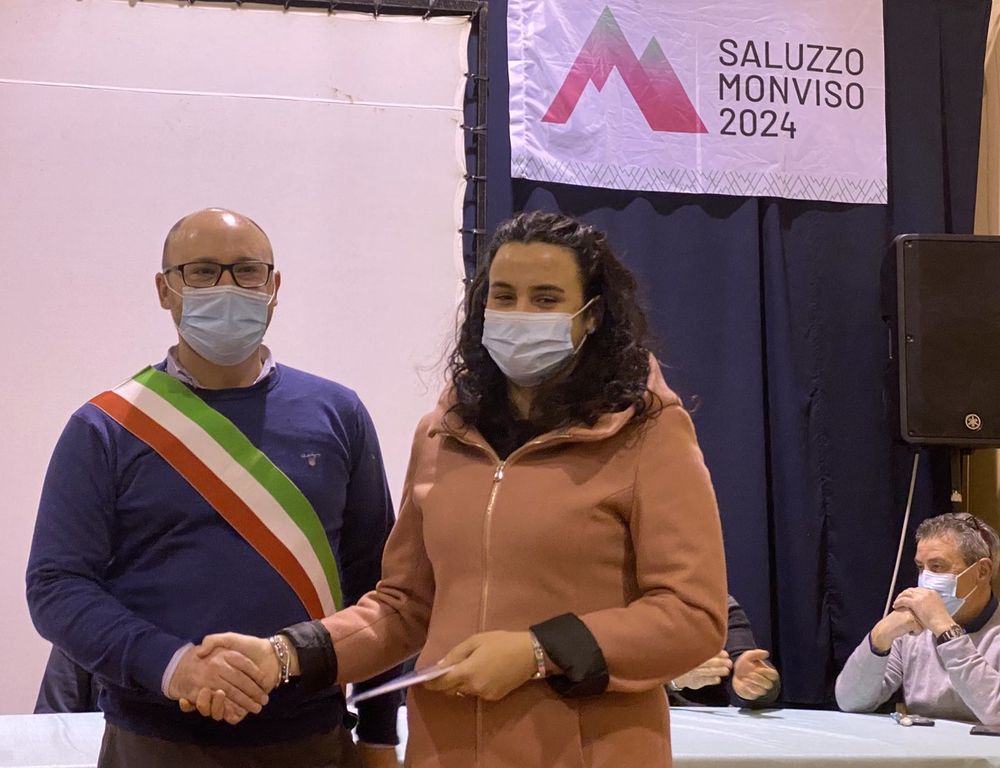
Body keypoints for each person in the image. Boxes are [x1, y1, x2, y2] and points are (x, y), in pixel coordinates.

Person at [185, 210, 729, 768]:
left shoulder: (648, 432)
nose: (520, 314)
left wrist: (538, 651)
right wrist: (283, 654)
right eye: (504, 296)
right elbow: (402, 608)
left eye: (545, 299)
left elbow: (692, 615)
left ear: (591, 315)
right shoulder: (441, 435)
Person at [26, 208, 401, 768]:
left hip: (314, 740)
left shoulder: (338, 414)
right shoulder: (105, 427)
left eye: (247, 271)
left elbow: (380, 586)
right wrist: (174, 665)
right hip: (153, 744)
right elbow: (56, 587)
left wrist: (378, 733)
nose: (227, 288)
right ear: (165, 290)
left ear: (274, 287)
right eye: (201, 271)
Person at [835, 512, 1000, 725]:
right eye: (921, 567)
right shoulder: (912, 630)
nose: (925, 579)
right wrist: (879, 637)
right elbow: (850, 701)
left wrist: (946, 630)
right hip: (923, 745)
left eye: (937, 567)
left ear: (982, 571)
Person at [668, 595, 780, 708]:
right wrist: (673, 680)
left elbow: (743, 659)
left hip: (702, 714)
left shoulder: (719, 603)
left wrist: (755, 682)